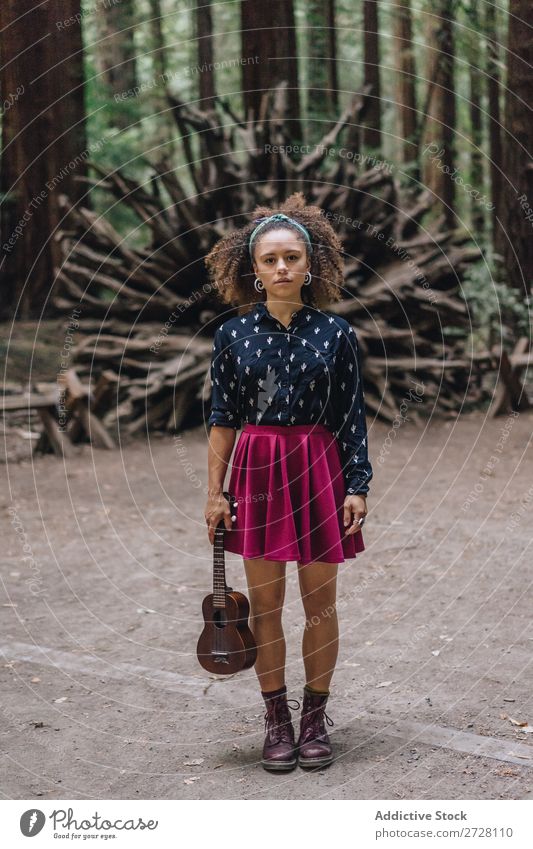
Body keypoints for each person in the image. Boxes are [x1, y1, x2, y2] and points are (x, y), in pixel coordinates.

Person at [204, 192, 373, 772]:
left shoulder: (336, 334)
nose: (281, 268)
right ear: (253, 270)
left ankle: (313, 717)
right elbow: (223, 420)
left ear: (311, 265)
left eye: (292, 258)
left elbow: (351, 413)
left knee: (320, 606)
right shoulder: (230, 336)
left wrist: (358, 484)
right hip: (256, 468)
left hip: (318, 465)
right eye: (271, 259)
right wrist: (215, 491)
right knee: (266, 606)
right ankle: (275, 718)